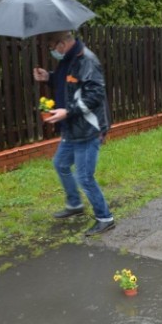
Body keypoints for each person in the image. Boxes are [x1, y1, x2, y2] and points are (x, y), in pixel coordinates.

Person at [32, 31, 114, 236]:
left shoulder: (87, 60)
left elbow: (95, 94)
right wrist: (48, 77)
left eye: (52, 47)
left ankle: (105, 217)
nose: (52, 51)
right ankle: (75, 204)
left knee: (85, 177)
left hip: (88, 129)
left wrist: (67, 111)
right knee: (60, 164)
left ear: (62, 44)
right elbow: (67, 86)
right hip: (71, 127)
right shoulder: (68, 60)